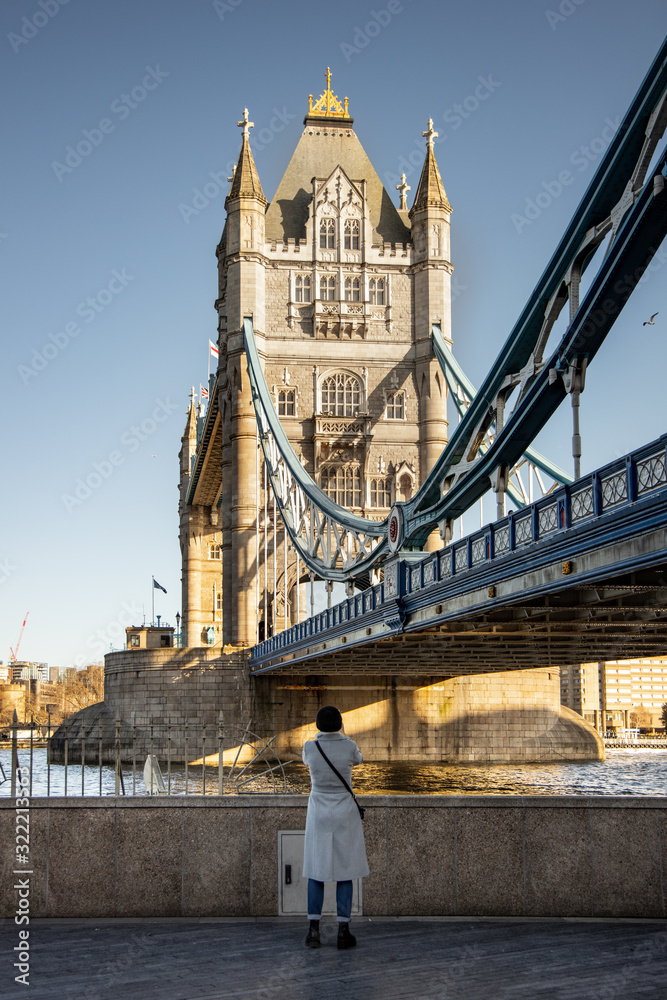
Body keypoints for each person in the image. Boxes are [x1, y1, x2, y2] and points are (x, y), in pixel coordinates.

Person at [302, 705, 369, 950]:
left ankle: (313, 931)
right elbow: (359, 759)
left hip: (319, 812)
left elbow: (306, 761)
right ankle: (343, 931)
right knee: (345, 870)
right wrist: (345, 735)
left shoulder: (310, 747)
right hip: (344, 813)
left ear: (318, 725)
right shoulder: (349, 746)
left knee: (315, 870)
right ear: (340, 724)